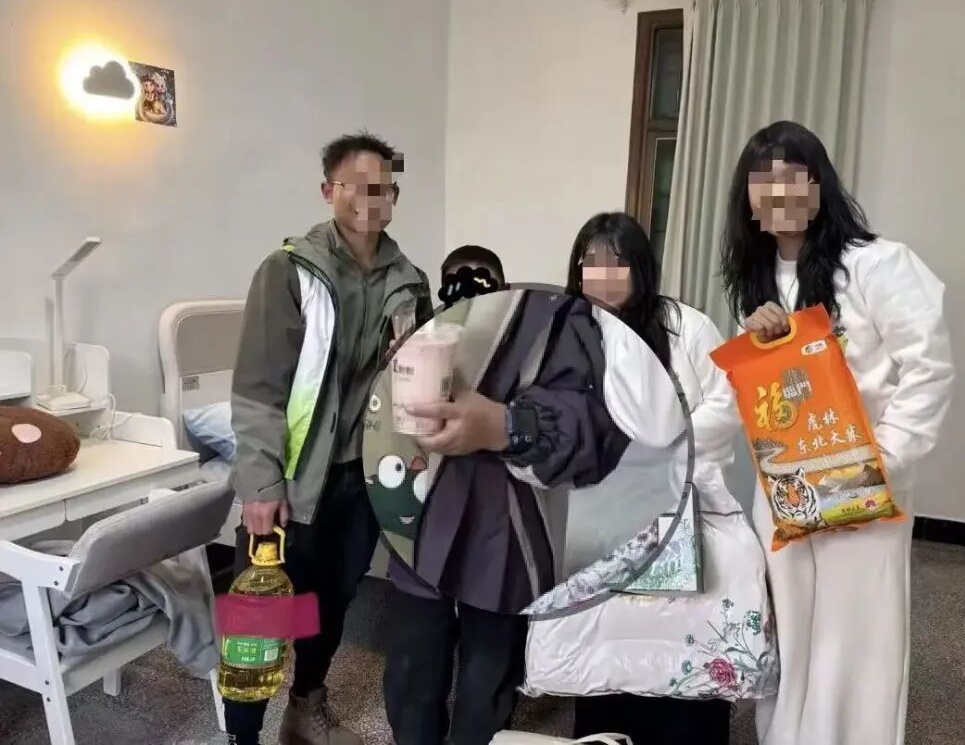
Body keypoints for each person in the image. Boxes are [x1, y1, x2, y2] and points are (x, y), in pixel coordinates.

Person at [720, 120, 954, 745]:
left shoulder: (879, 264)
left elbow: (928, 369)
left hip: (865, 488)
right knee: (789, 634)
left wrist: (881, 462)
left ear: (820, 186)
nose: (779, 193)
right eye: (763, 181)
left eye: (793, 177)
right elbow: (753, 397)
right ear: (748, 200)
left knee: (858, 641)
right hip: (786, 491)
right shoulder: (758, 280)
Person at [226, 131, 433, 745]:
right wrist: (260, 481)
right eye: (357, 186)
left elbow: (416, 381)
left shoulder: (410, 282)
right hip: (294, 478)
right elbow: (258, 388)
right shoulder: (289, 271)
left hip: (363, 478)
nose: (372, 199)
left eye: (384, 189)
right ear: (328, 190)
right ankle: (241, 737)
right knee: (260, 619)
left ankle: (304, 708)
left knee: (330, 603)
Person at [379, 285, 631, 745]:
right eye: (455, 278)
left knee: (489, 674)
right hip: (422, 509)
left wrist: (507, 425)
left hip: (509, 523)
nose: (467, 284)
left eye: (482, 278)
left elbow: (597, 427)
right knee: (413, 665)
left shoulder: (556, 319)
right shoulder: (420, 315)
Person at [563, 212, 741, 745]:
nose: (603, 274)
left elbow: (726, 403)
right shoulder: (567, 333)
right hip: (603, 510)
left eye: (616, 262)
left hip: (682, 501)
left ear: (640, 268)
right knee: (610, 640)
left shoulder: (686, 327)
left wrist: (667, 450)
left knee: (681, 635)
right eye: (591, 262)